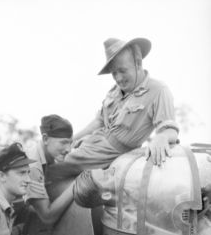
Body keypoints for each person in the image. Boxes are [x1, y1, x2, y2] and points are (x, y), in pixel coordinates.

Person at [65, 37, 179, 169]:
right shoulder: (114, 92)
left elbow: (169, 128)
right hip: (92, 144)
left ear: (138, 63)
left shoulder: (158, 90)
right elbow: (98, 122)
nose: (118, 78)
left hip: (112, 154)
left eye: (123, 71)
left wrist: (162, 137)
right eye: (114, 73)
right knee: (54, 154)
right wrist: (71, 140)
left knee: (58, 164)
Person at [25, 114, 78, 224]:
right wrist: (76, 185)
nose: (68, 149)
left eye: (70, 143)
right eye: (63, 142)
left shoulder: (45, 154)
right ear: (45, 139)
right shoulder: (33, 166)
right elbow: (47, 217)